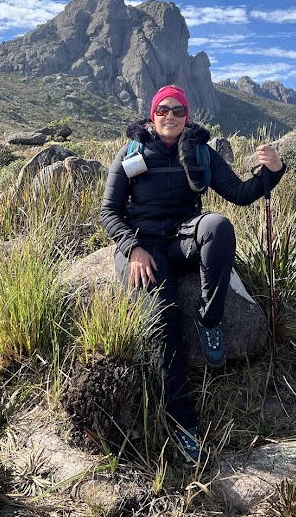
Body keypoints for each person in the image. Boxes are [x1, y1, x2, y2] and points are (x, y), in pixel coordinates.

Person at [100, 85, 284, 464]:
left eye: (179, 111)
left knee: (218, 224)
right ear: (153, 115)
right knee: (163, 320)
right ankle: (185, 426)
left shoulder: (199, 151)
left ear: (188, 117)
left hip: (183, 236)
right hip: (143, 246)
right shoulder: (132, 152)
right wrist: (131, 248)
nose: (171, 116)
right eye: (163, 110)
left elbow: (241, 192)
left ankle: (210, 320)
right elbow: (109, 212)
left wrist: (273, 171)